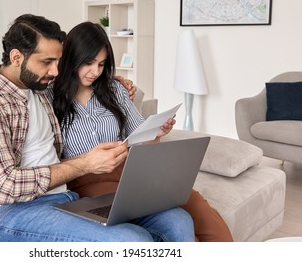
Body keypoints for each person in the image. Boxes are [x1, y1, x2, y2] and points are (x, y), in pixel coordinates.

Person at [0, 14, 194, 242]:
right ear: (16, 57)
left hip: (64, 198)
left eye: (58, 61)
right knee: (131, 240)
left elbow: (83, 80)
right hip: (9, 213)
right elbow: (5, 187)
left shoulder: (40, 90)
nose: (56, 71)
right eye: (47, 62)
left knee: (177, 221)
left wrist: (116, 81)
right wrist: (86, 163)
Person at [50, 21, 233, 242]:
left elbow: (141, 136)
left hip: (131, 169)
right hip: (87, 179)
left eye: (101, 64)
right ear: (72, 57)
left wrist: (157, 132)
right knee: (168, 217)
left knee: (195, 203)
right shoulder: (50, 97)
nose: (95, 71)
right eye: (89, 63)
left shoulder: (114, 89)